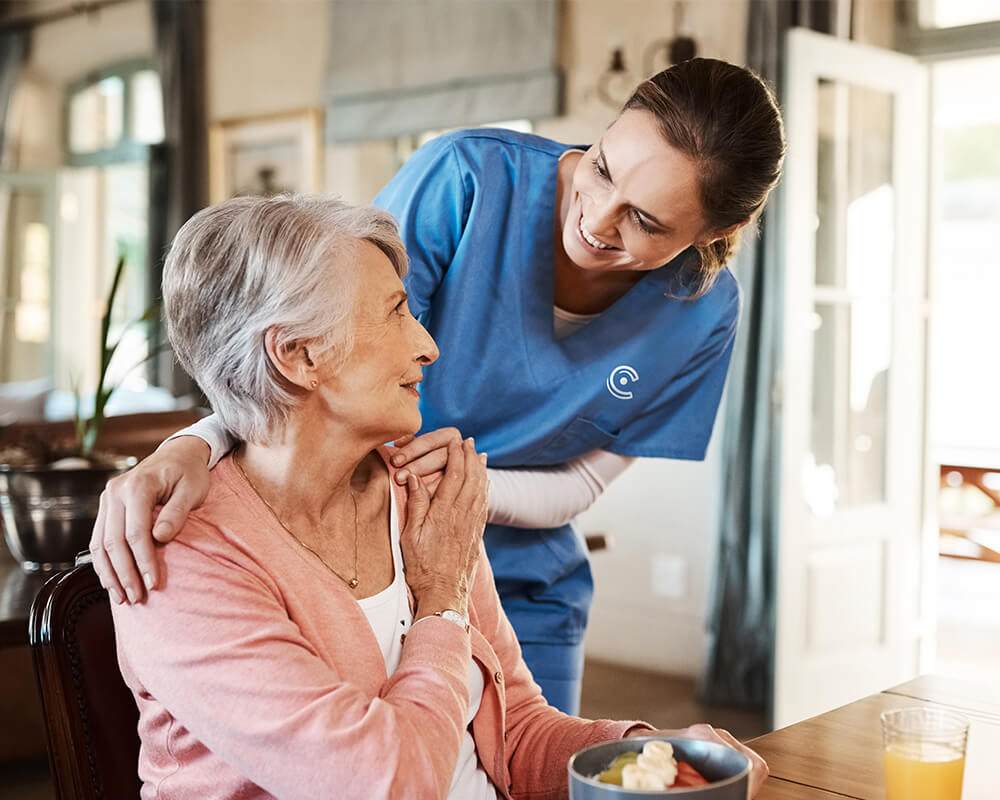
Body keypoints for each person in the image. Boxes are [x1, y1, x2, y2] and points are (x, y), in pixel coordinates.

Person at [93, 58, 786, 715]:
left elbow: (582, 486)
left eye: (645, 221)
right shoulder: (467, 179)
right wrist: (195, 443)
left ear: (718, 231)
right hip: (362, 553)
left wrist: (461, 497)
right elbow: (306, 346)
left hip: (523, 579)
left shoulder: (703, 314)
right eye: (601, 168)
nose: (596, 219)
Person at [110, 194, 769, 799]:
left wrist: (653, 755)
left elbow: (518, 735)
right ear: (300, 357)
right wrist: (442, 602)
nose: (428, 347)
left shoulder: (421, 499)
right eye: (397, 312)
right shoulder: (181, 558)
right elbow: (388, 784)